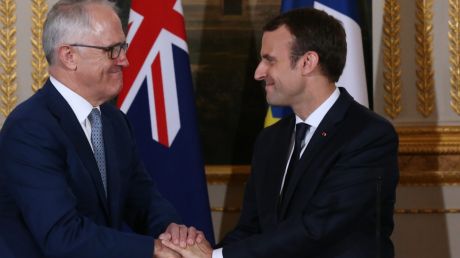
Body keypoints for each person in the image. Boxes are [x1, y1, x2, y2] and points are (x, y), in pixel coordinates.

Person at [161, 7, 399, 258]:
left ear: (307, 62)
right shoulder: (271, 139)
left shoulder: (367, 136)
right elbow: (252, 229)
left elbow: (317, 229)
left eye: (270, 60)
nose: (258, 72)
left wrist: (214, 257)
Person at [0, 0, 203, 257]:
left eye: (123, 48)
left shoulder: (113, 121)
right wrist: (154, 249)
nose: (125, 61)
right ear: (69, 56)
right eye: (112, 50)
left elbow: (142, 199)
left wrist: (173, 230)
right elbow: (63, 235)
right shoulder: (30, 129)